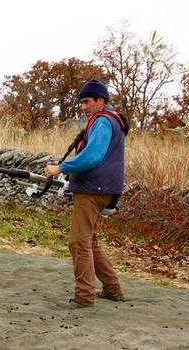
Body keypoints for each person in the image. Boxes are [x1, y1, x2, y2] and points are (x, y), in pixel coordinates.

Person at [43, 79, 126, 309]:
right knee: (90, 241)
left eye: (87, 101)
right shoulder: (112, 121)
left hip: (92, 190)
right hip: (105, 189)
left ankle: (84, 297)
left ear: (101, 100)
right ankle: (112, 290)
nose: (84, 106)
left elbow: (92, 157)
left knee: (78, 242)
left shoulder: (102, 122)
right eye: (82, 102)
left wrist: (61, 168)